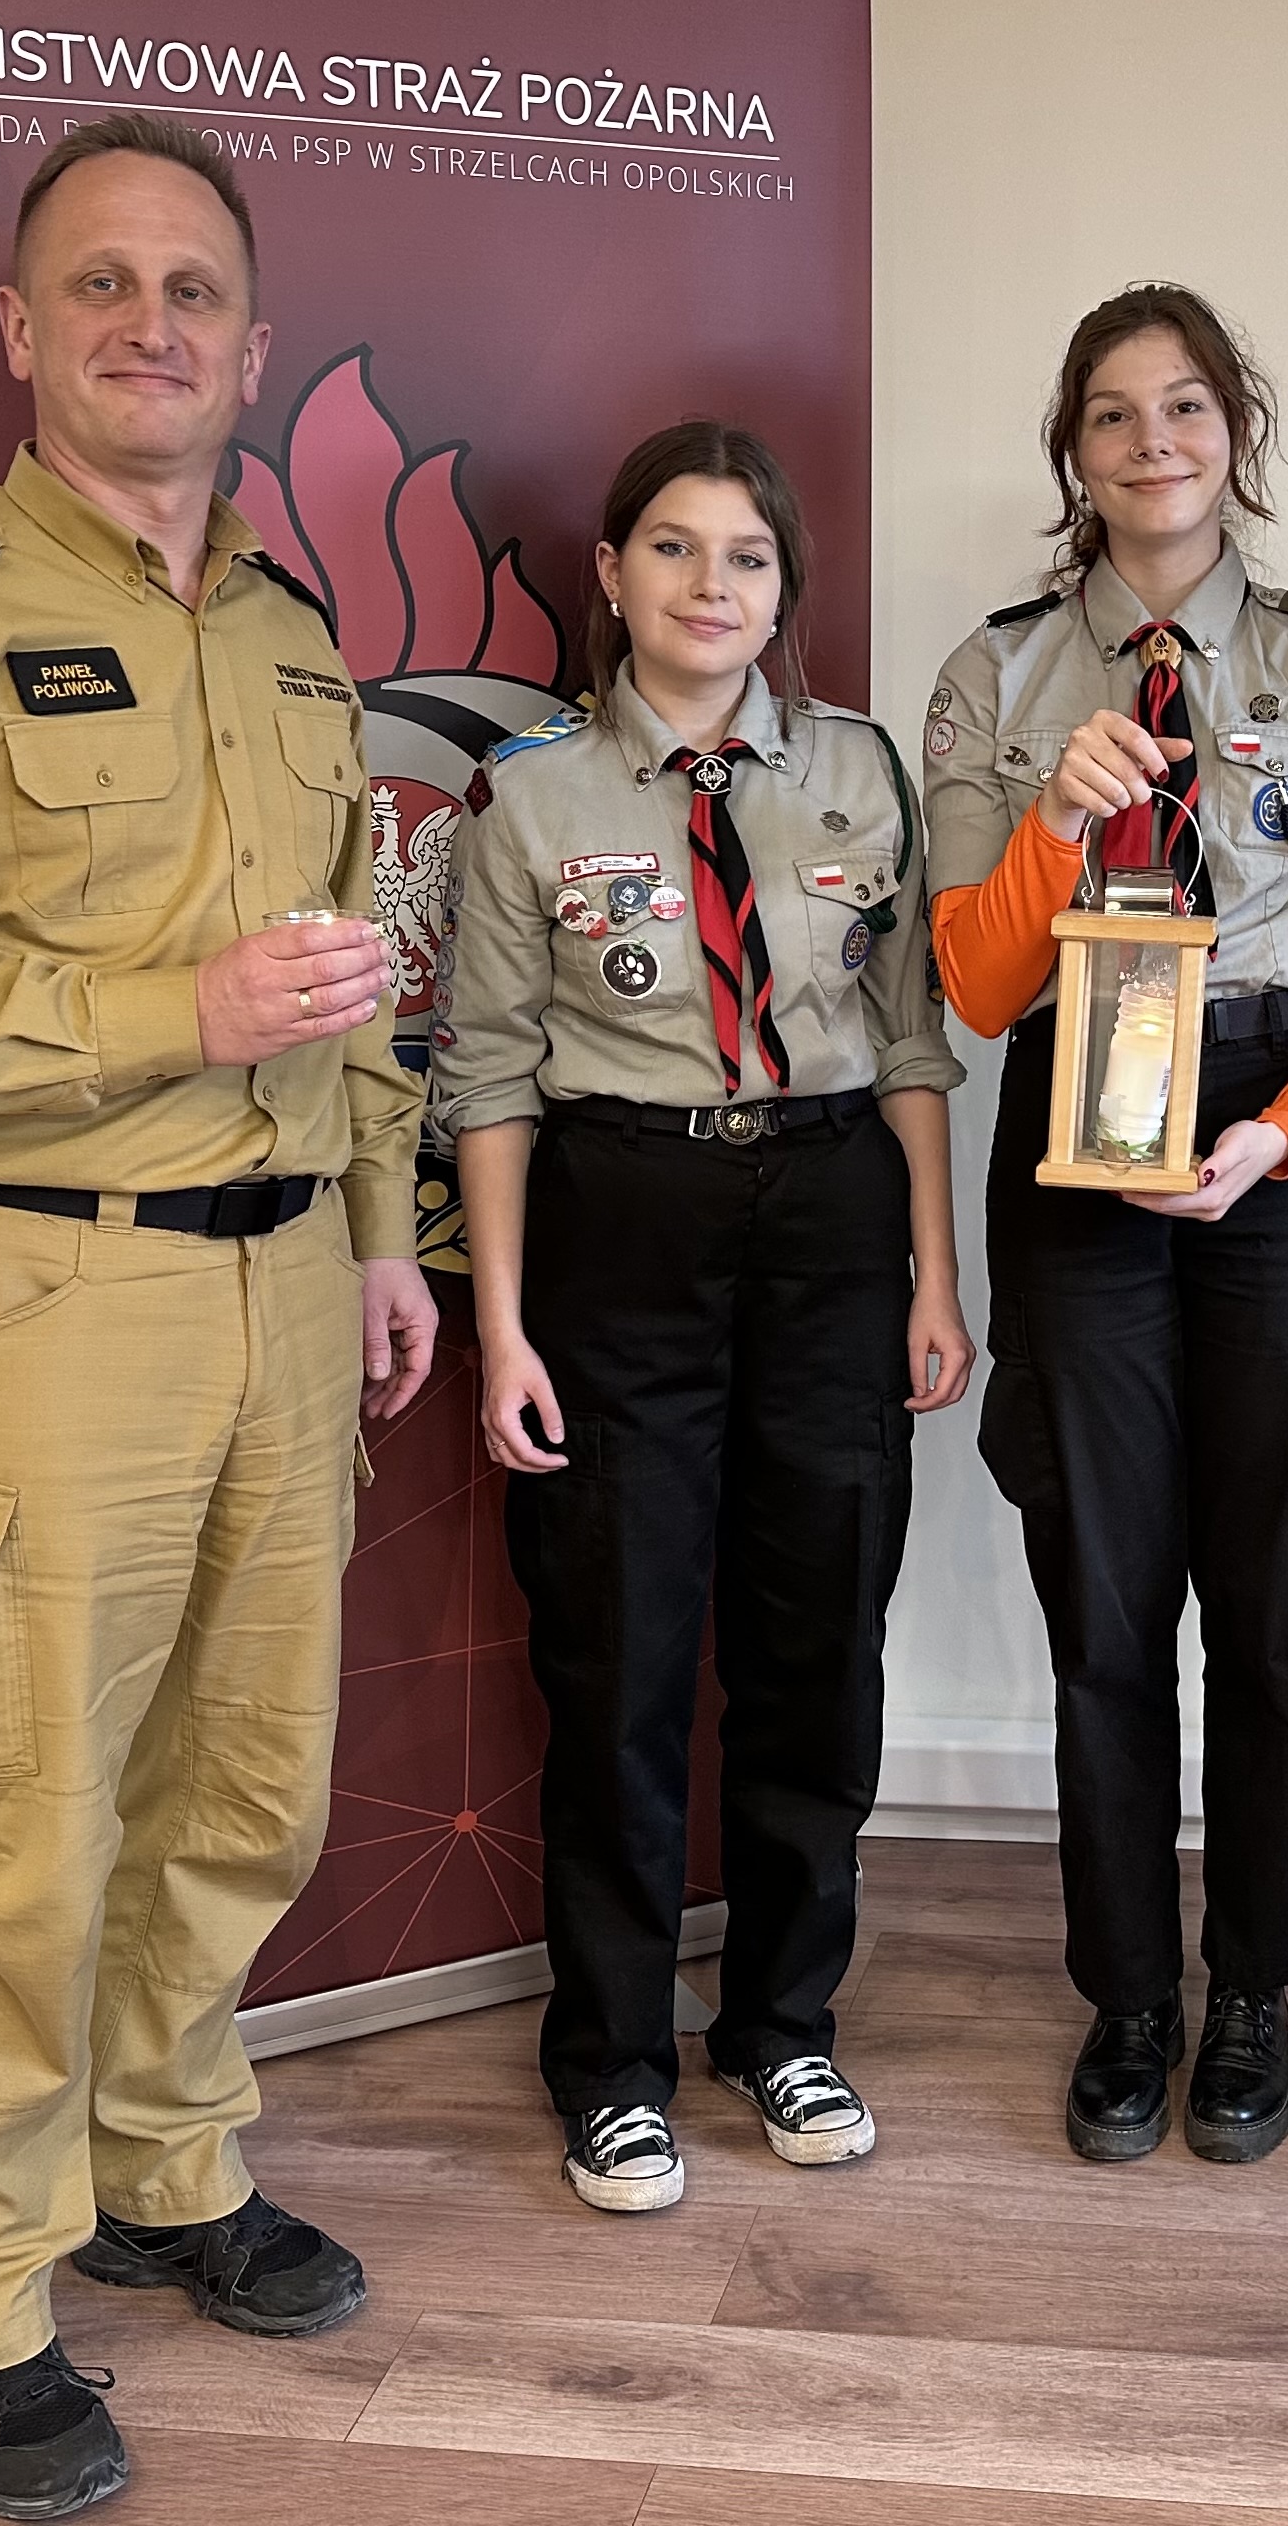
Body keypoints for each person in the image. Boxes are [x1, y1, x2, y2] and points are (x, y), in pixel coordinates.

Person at [0, 113, 440, 2516]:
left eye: (195, 288)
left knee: (244, 1786)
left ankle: (166, 2156)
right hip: (37, 1292)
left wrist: (380, 1226)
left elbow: (347, 975)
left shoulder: (293, 636)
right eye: (104, 283)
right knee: (30, 1818)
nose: (154, 321)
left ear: (252, 344)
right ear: (19, 328)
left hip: (280, 1289)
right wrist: (176, 1010)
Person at [433, 421, 971, 2216]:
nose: (708, 586)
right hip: (622, 1225)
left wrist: (934, 1276)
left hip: (830, 1223)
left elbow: (909, 1041)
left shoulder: (858, 770)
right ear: (610, 572)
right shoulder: (530, 797)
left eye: (746, 556)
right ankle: (609, 2061)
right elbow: (487, 1077)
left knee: (818, 1650)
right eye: (671, 548)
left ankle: (782, 2019)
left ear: (783, 587)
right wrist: (510, 1330)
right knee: (620, 1660)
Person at [924, 284, 1288, 2167]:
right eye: (1113, 415)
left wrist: (1277, 1142)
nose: (1153, 443)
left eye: (1187, 408)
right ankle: (1129, 1994)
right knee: (1105, 1603)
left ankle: (1257, 1989)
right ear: (1071, 452)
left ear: (1238, 431)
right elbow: (975, 989)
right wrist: (1053, 827)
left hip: (1270, 1144)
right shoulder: (993, 674)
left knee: (1270, 1607)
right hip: (1078, 1128)